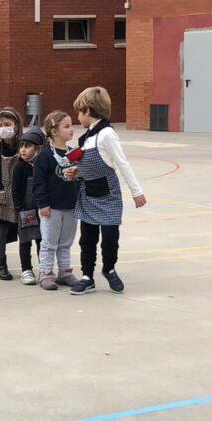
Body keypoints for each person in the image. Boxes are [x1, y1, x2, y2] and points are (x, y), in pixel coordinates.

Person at [67, 86, 146, 295]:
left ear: (88, 110)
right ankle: (87, 276)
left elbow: (121, 163)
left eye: (79, 112)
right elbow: (90, 164)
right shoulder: (87, 138)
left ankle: (109, 268)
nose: (78, 117)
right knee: (87, 239)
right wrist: (77, 172)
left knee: (110, 238)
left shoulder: (107, 134)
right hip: (88, 194)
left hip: (108, 196)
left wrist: (136, 192)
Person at [34, 111, 80, 291]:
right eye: (67, 126)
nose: (71, 129)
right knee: (49, 242)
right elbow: (39, 182)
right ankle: (46, 272)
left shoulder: (74, 153)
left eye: (71, 126)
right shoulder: (45, 155)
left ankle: (65, 271)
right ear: (54, 131)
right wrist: (43, 203)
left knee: (66, 242)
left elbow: (79, 178)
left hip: (70, 206)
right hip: (51, 208)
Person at [0, 108, 23, 281]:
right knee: (0, 229)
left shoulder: (23, 145)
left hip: (20, 192)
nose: (4, 128)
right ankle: (0, 263)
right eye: (0, 125)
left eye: (8, 124)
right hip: (1, 191)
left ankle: (26, 265)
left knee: (24, 230)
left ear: (16, 126)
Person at [12, 126, 45, 285]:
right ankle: (26, 269)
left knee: (41, 239)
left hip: (42, 209)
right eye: (21, 146)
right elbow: (15, 189)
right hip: (25, 209)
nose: (23, 150)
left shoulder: (42, 165)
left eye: (27, 146)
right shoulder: (20, 167)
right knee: (25, 240)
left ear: (38, 148)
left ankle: (44, 269)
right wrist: (18, 207)